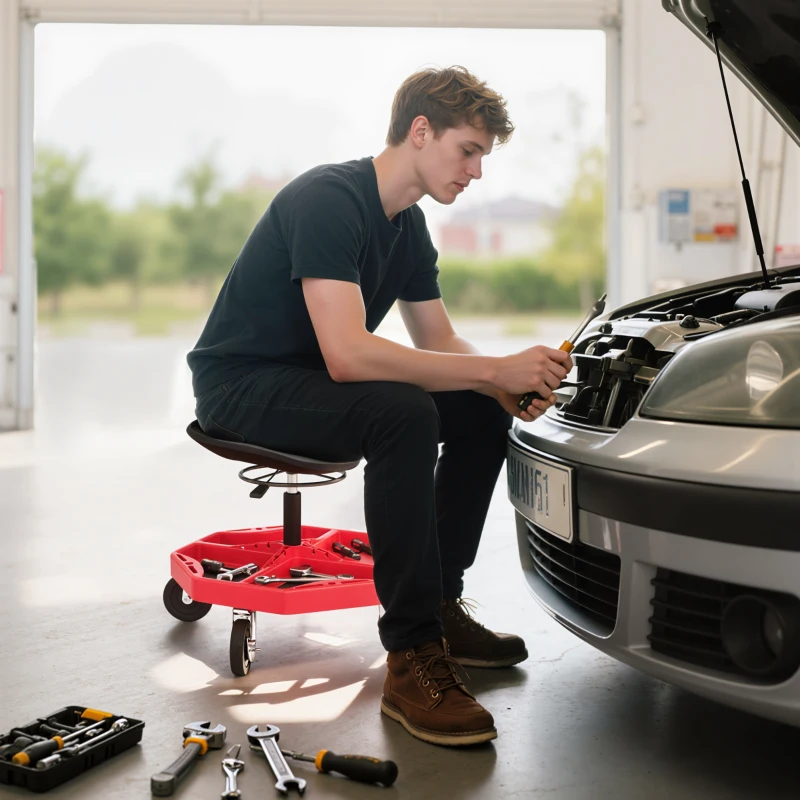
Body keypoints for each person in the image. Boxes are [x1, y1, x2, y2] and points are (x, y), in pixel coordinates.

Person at [187, 65, 573, 747]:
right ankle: (410, 654)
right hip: (242, 386)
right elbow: (348, 354)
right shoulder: (329, 199)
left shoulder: (410, 227)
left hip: (312, 386)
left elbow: (439, 338)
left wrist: (502, 383)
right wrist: (492, 370)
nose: (477, 171)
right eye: (469, 150)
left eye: (483, 156)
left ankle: (440, 603)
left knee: (480, 409)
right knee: (404, 412)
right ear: (420, 132)